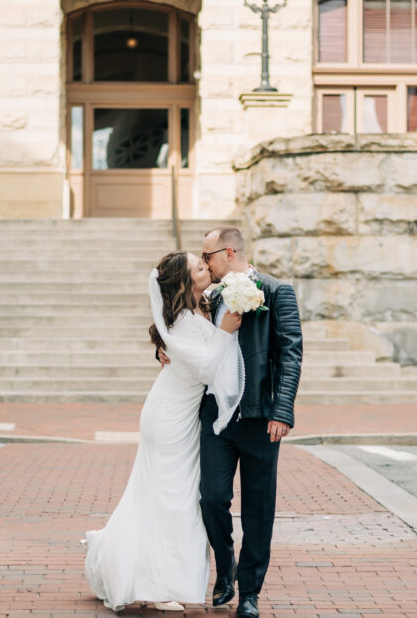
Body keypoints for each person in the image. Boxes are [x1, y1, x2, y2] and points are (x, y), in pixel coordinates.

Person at [85, 251, 245, 613]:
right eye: (199, 267)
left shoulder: (204, 304)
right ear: (186, 282)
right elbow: (205, 369)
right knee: (170, 500)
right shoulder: (183, 322)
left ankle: (132, 564)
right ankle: (160, 585)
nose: (207, 267)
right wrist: (223, 334)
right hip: (169, 419)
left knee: (170, 498)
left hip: (184, 416)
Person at [158, 227, 303, 618]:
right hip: (216, 418)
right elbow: (174, 319)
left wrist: (282, 410)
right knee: (212, 498)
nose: (203, 264)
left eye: (207, 257)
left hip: (260, 416)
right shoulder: (209, 296)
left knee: (258, 507)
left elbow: (290, 355)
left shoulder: (275, 291)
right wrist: (160, 345)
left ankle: (250, 593)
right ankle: (226, 570)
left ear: (226, 252)